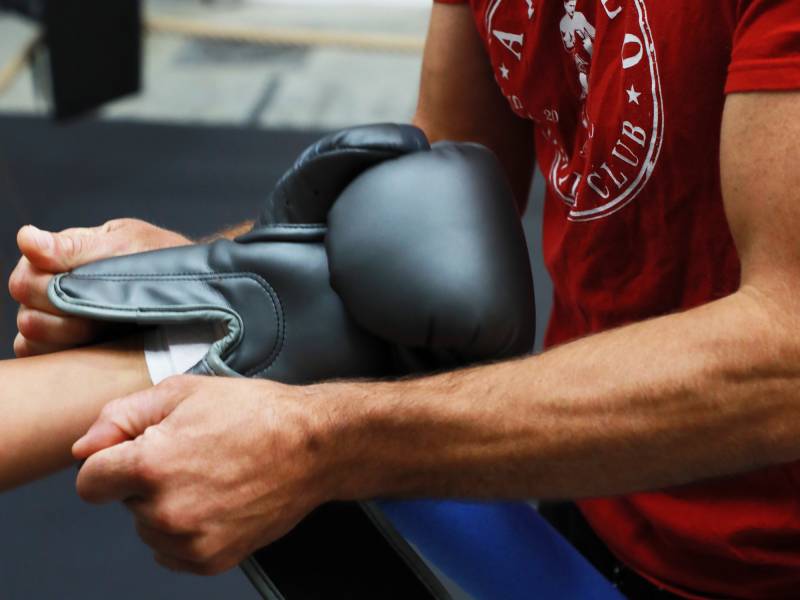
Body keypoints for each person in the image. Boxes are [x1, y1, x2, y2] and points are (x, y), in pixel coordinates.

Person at [7, 1, 800, 598]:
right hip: (589, 476)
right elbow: (435, 205)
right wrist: (205, 276)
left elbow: (786, 358)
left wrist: (328, 446)